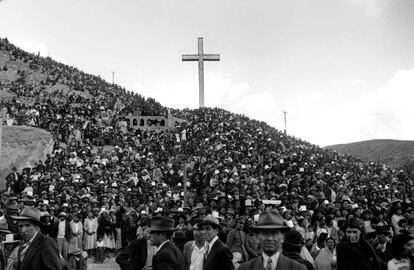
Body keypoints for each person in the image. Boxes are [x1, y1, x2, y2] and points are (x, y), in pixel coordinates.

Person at [239, 211, 306, 270]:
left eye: (274, 233)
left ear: (282, 237)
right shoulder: (245, 268)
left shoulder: (297, 268)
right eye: (265, 233)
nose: (270, 238)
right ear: (257, 237)